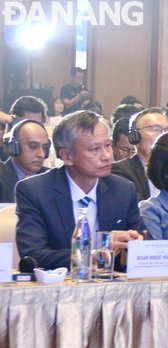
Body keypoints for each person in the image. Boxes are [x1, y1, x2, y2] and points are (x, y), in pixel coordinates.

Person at [15, 111, 144, 269]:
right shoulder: (34, 191)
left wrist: (137, 243)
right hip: (58, 287)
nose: (106, 156)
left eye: (107, 146)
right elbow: (33, 254)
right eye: (95, 149)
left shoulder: (123, 190)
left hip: (111, 288)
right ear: (67, 156)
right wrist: (94, 255)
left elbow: (141, 251)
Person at [111, 108, 168, 202]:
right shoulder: (120, 170)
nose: (164, 135)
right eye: (156, 129)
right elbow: (137, 208)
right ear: (135, 137)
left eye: (167, 130)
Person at [0, 120, 50, 202]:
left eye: (44, 148)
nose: (42, 155)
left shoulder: (53, 178)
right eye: (33, 146)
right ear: (14, 148)